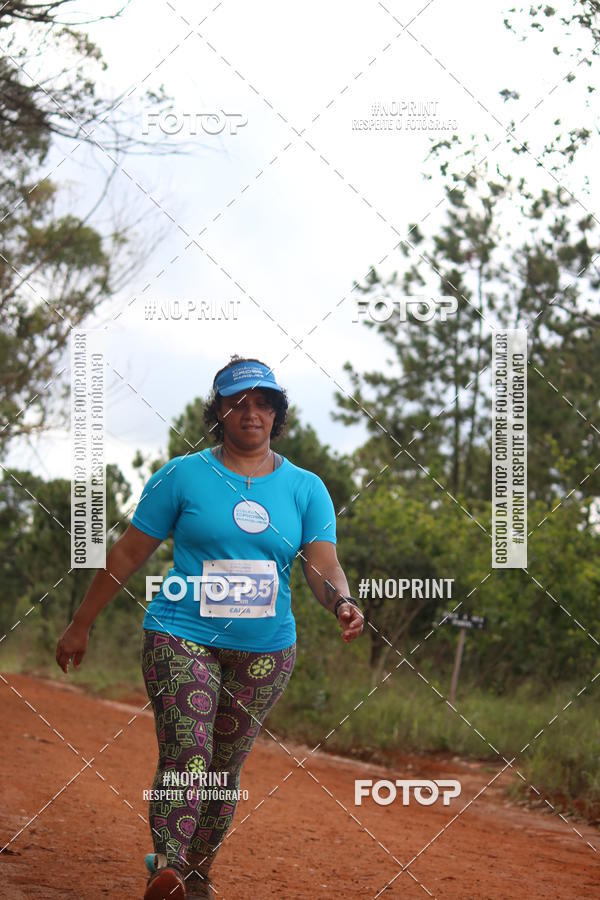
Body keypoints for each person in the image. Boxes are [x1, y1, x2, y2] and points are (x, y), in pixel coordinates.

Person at [56, 355, 364, 899]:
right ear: (218, 412)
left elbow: (322, 564)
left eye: (264, 403)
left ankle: (197, 873)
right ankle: (168, 869)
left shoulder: (305, 488)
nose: (252, 413)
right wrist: (81, 623)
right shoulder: (182, 475)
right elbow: (127, 553)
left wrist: (340, 601)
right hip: (182, 635)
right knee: (187, 749)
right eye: (238, 402)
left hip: (265, 650)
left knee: (225, 765)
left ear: (277, 414)